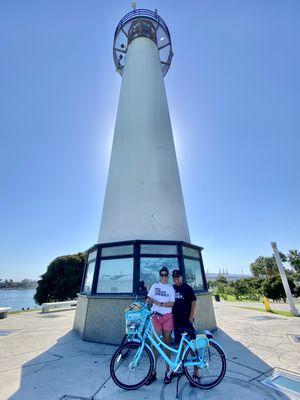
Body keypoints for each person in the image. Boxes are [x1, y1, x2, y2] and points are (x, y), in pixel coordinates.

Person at [145, 266, 175, 385]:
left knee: (166, 344)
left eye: (166, 275)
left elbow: (172, 303)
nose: (164, 277)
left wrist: (160, 303)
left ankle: (167, 372)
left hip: (167, 317)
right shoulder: (154, 286)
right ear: (160, 276)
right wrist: (149, 301)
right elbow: (149, 299)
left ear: (168, 276)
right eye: (162, 275)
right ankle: (152, 373)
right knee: (155, 345)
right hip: (156, 318)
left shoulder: (170, 288)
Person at [172, 269, 200, 385]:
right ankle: (181, 367)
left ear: (181, 277)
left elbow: (193, 303)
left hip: (187, 322)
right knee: (180, 346)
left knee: (193, 346)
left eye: (178, 277)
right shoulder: (172, 288)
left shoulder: (187, 288)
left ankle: (196, 372)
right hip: (177, 323)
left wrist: (190, 319)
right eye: (174, 277)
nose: (176, 279)